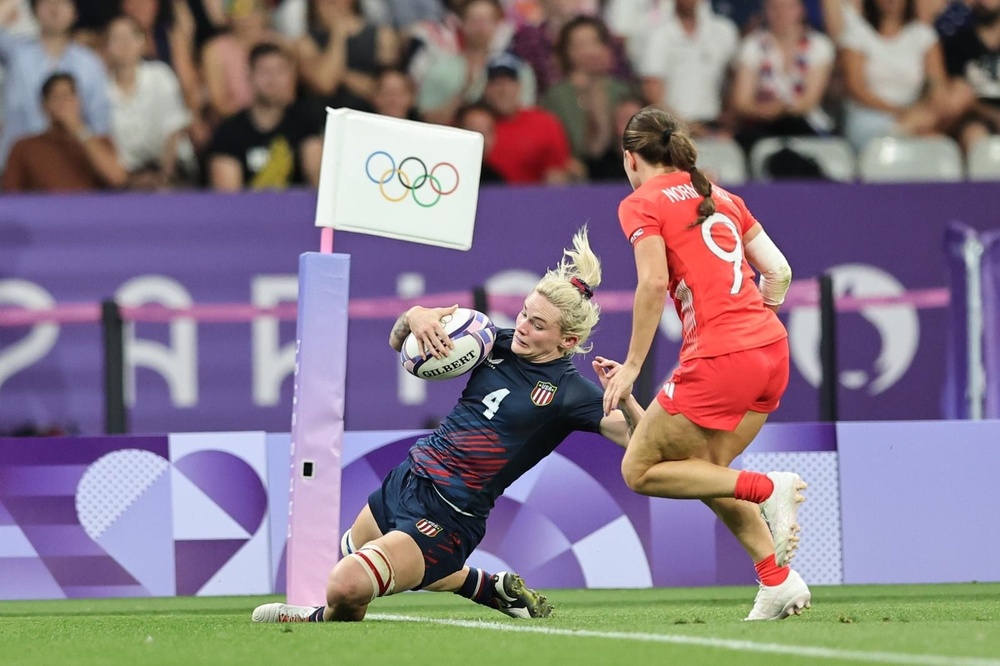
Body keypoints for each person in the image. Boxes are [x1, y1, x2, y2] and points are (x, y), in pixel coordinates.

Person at [251, 228, 644, 623]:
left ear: (568, 341)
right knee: (352, 553)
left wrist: (625, 397)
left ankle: (310, 619)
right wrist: (415, 317)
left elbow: (644, 442)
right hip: (409, 478)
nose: (523, 325)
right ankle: (484, 587)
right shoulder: (490, 339)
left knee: (345, 585)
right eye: (524, 312)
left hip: (451, 514)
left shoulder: (570, 392)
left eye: (538, 324)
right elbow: (399, 345)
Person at [601, 105, 810, 621]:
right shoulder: (723, 196)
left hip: (721, 356)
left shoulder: (640, 202)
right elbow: (779, 271)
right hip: (770, 350)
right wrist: (756, 321)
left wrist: (631, 365)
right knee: (705, 473)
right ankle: (776, 581)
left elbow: (651, 283)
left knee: (640, 469)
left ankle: (769, 487)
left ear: (631, 159)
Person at [0, 0, 111, 171]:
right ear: (34, 11)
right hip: (17, 165)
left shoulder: (90, 62)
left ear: (75, 13)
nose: (55, 8)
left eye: (63, 3)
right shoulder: (17, 53)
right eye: (47, 2)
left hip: (73, 167)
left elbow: (99, 123)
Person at [207, 42, 323, 190]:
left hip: (298, 210)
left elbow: (317, 179)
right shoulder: (228, 131)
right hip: (248, 211)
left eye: (280, 71)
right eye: (264, 71)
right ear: (249, 76)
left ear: (291, 76)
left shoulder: (305, 122)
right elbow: (227, 199)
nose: (273, 79)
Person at [729, 0, 835, 154]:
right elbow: (741, 101)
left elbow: (809, 101)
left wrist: (780, 108)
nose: (781, 14)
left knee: (795, 127)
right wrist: (764, 111)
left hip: (807, 124)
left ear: (801, 9)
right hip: (762, 124)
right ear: (765, 10)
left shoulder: (819, 45)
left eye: (788, 7)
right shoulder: (751, 46)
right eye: (774, 8)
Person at [104, 14, 195, 189]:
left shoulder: (160, 74)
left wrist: (164, 176)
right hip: (128, 178)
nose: (125, 43)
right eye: (116, 37)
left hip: (172, 170)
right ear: (106, 46)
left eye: (132, 36)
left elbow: (174, 130)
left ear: (143, 42)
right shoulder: (102, 89)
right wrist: (129, 180)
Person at [3, 72, 127, 191]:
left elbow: (117, 179)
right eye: (56, 97)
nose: (63, 103)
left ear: (80, 102)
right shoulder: (24, 147)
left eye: (68, 96)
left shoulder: (101, 143)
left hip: (89, 211)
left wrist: (79, 129)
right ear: (44, 106)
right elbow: (11, 198)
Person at [482, 51, 580, 184]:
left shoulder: (545, 123)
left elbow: (559, 171)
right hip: (486, 199)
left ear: (519, 86)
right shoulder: (474, 124)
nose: (503, 90)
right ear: (486, 89)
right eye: (496, 83)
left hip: (533, 201)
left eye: (509, 82)